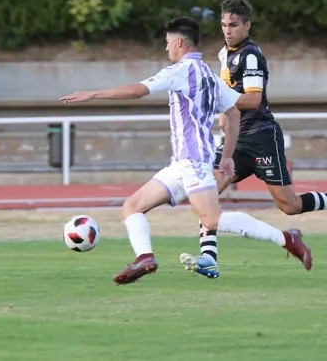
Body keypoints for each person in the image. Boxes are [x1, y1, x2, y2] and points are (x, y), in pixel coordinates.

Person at [60, 17, 312, 285]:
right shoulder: (209, 75)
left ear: (179, 42)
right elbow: (233, 111)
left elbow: (138, 90)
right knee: (132, 207)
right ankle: (145, 257)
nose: (166, 48)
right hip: (180, 165)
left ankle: (287, 239)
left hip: (194, 163)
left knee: (213, 220)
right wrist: (226, 157)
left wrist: (94, 95)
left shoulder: (179, 71)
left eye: (168, 43)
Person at [208, 0, 327, 231]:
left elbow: (253, 100)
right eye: (224, 25)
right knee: (207, 194)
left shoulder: (251, 56)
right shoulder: (224, 54)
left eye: (233, 25)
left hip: (261, 137)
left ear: (247, 26)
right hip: (236, 139)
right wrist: (225, 112)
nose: (227, 31)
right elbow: (230, 91)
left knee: (290, 205)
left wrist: (218, 103)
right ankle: (208, 258)